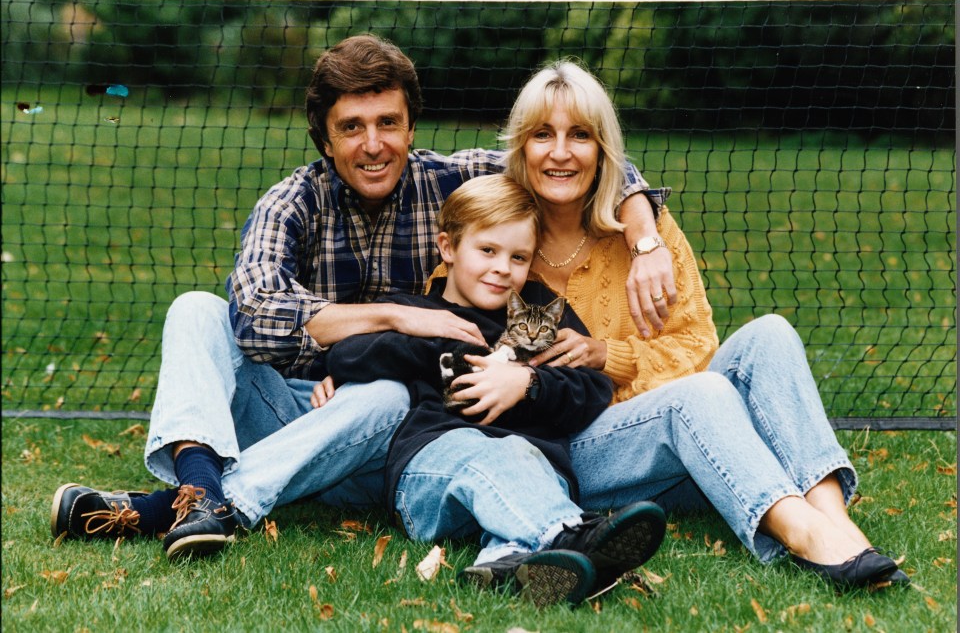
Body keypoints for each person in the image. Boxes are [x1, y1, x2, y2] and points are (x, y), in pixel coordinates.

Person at [49, 35, 669, 560]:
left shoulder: (452, 180)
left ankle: (179, 507)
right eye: (352, 128)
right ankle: (201, 487)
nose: (374, 145)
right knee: (196, 309)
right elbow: (256, 316)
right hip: (296, 407)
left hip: (392, 428)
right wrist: (395, 314)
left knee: (384, 394)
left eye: (388, 124)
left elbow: (564, 160)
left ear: (409, 126)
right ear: (324, 138)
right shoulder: (292, 202)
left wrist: (645, 238)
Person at [430, 59, 907, 590]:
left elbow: (699, 346)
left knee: (768, 333)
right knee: (698, 395)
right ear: (521, 148)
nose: (560, 152)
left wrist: (607, 353)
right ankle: (808, 540)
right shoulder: (497, 245)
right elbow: (448, 325)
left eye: (580, 136)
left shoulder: (645, 233)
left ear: (604, 150)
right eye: (543, 134)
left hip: (687, 430)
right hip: (576, 447)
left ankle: (840, 526)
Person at [322, 174, 666, 607]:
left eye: (519, 257)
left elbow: (591, 388)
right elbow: (344, 356)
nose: (503, 267)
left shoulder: (540, 314)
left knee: (520, 457)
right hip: (434, 477)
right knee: (497, 452)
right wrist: (437, 345)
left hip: (531, 476)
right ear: (448, 248)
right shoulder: (419, 315)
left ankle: (506, 567)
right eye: (488, 250)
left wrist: (530, 384)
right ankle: (575, 534)